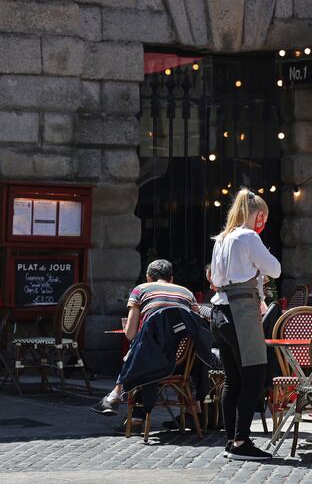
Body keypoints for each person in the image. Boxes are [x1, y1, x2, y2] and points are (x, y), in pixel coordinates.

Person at [209, 188, 281, 461]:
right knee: (254, 374)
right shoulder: (249, 237)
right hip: (241, 311)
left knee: (233, 379)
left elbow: (215, 276)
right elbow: (275, 269)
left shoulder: (222, 238)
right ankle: (241, 441)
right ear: (259, 216)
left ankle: (232, 439)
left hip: (220, 309)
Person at [90, 259, 199, 417]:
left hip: (148, 359)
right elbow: (195, 326)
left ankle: (117, 396)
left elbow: (130, 334)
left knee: (138, 348)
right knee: (145, 348)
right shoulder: (187, 293)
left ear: (148, 278)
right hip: (182, 360)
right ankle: (118, 398)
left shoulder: (140, 290)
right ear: (172, 278)